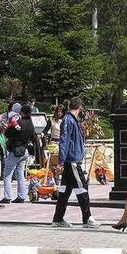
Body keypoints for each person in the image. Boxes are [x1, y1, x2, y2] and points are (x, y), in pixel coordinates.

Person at [51, 97, 100, 228]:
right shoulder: (69, 120)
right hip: (72, 161)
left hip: (70, 160)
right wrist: (61, 162)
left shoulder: (70, 120)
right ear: (80, 107)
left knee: (64, 191)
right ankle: (87, 218)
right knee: (82, 187)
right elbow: (64, 141)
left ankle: (58, 218)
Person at [0, 105, 36, 204]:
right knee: (20, 175)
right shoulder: (31, 124)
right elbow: (33, 137)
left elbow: (7, 133)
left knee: (7, 174)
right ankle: (22, 196)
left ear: (22, 112)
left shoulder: (18, 123)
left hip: (15, 150)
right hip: (24, 151)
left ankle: (7, 197)